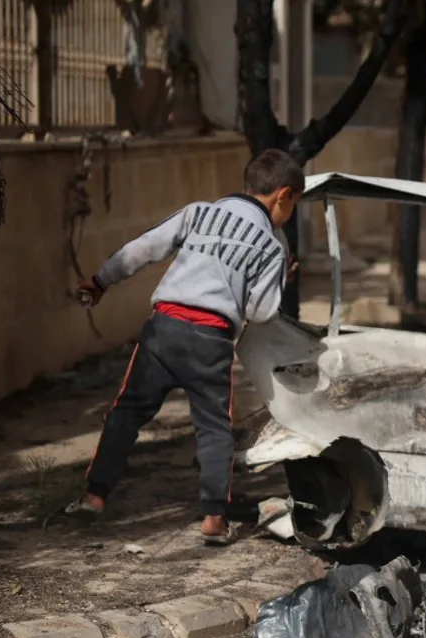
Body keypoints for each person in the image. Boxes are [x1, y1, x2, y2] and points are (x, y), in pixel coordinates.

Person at [64, 148, 304, 544]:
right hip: (210, 342)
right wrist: (282, 279)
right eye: (293, 205)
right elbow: (261, 312)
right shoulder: (271, 246)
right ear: (283, 196)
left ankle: (94, 497)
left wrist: (101, 280)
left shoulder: (199, 212)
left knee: (126, 413)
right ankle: (213, 518)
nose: (290, 215)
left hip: (163, 330)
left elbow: (144, 248)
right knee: (213, 428)